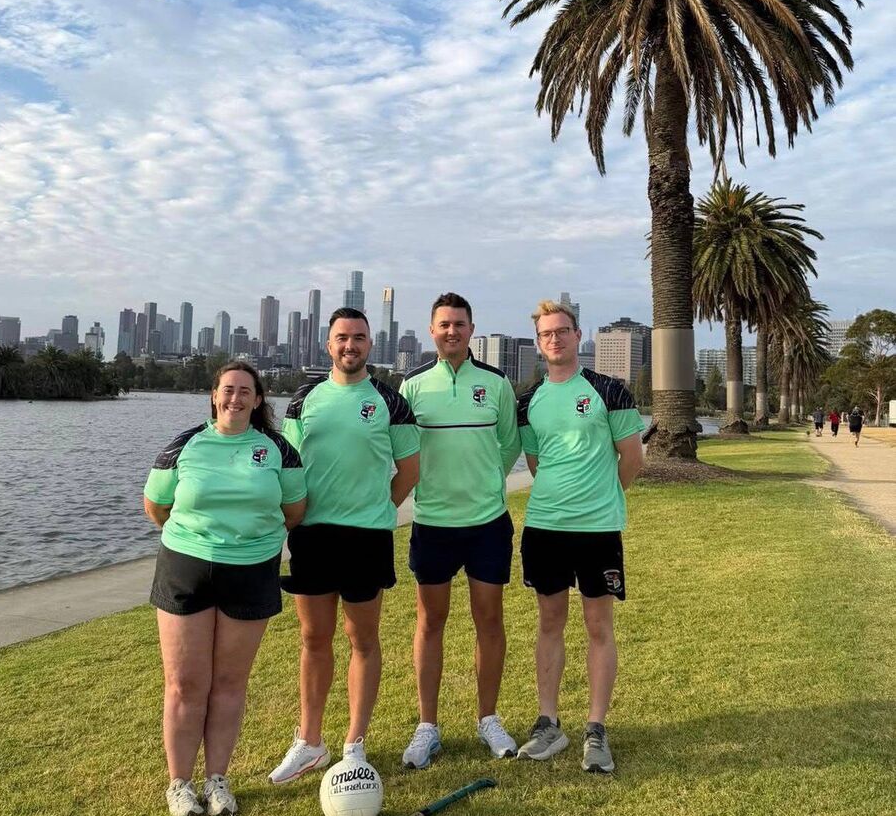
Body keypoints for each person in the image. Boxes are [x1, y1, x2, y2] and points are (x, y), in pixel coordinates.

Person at [144, 362, 306, 816]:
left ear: (258, 400)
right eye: (227, 390)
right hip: (185, 568)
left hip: (251, 571)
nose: (235, 398)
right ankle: (180, 784)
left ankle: (217, 779)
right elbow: (156, 507)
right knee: (185, 683)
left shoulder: (278, 449)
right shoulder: (184, 445)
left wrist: (249, 539)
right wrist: (201, 538)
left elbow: (294, 510)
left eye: (245, 391)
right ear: (214, 396)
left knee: (230, 682)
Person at [269, 308, 420, 783]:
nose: (349, 345)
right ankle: (310, 742)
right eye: (341, 337)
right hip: (312, 535)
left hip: (367, 538)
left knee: (363, 639)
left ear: (369, 344)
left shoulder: (391, 402)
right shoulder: (304, 399)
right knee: (314, 639)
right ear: (328, 344)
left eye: (358, 337)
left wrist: (377, 510)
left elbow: (409, 470)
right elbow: (287, 467)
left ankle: (355, 743)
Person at [515, 300, 644, 773]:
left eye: (562, 331)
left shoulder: (609, 390)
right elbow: (536, 465)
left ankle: (595, 729)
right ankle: (548, 725)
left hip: (597, 531)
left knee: (598, 627)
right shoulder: (528, 402)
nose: (555, 339)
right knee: (549, 623)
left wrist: (603, 497)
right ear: (539, 342)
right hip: (545, 528)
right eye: (546, 333)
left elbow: (632, 458)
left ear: (577, 335)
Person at [397, 293, 522, 768]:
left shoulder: (496, 383)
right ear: (432, 330)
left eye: (460, 324)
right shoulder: (412, 386)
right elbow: (403, 450)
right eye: (444, 324)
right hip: (432, 523)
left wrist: (485, 481)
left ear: (472, 330)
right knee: (430, 622)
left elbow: (508, 444)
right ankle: (427, 726)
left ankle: (487, 719)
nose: (452, 331)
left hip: (487, 523)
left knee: (489, 621)